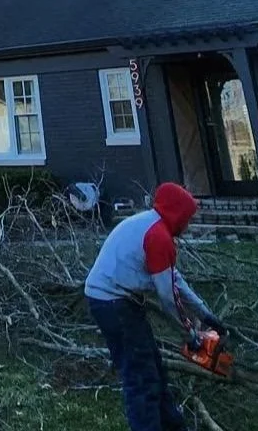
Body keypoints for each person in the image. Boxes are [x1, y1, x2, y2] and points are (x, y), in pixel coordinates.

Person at [84, 183, 226, 431]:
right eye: (188, 219)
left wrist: (205, 313)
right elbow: (168, 296)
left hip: (117, 300)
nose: (188, 225)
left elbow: (174, 279)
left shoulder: (152, 226)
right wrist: (190, 334)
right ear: (178, 214)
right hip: (113, 303)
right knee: (141, 378)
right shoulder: (158, 236)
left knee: (154, 370)